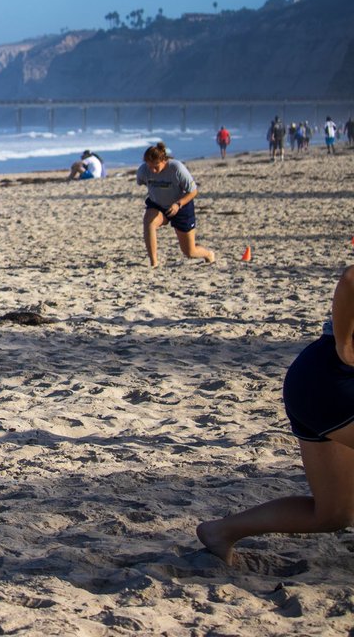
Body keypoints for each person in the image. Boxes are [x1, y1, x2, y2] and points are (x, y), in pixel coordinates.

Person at [197, 265, 354, 566]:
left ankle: (220, 532)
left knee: (334, 514)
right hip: (334, 384)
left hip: (314, 381)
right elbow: (351, 278)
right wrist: (345, 345)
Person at [136, 142, 214, 268]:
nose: (153, 170)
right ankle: (154, 263)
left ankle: (208, 254)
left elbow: (193, 191)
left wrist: (178, 204)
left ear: (163, 160)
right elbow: (143, 183)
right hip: (158, 205)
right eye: (149, 166)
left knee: (189, 251)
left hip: (181, 206)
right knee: (148, 221)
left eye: (156, 167)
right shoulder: (143, 170)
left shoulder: (176, 168)